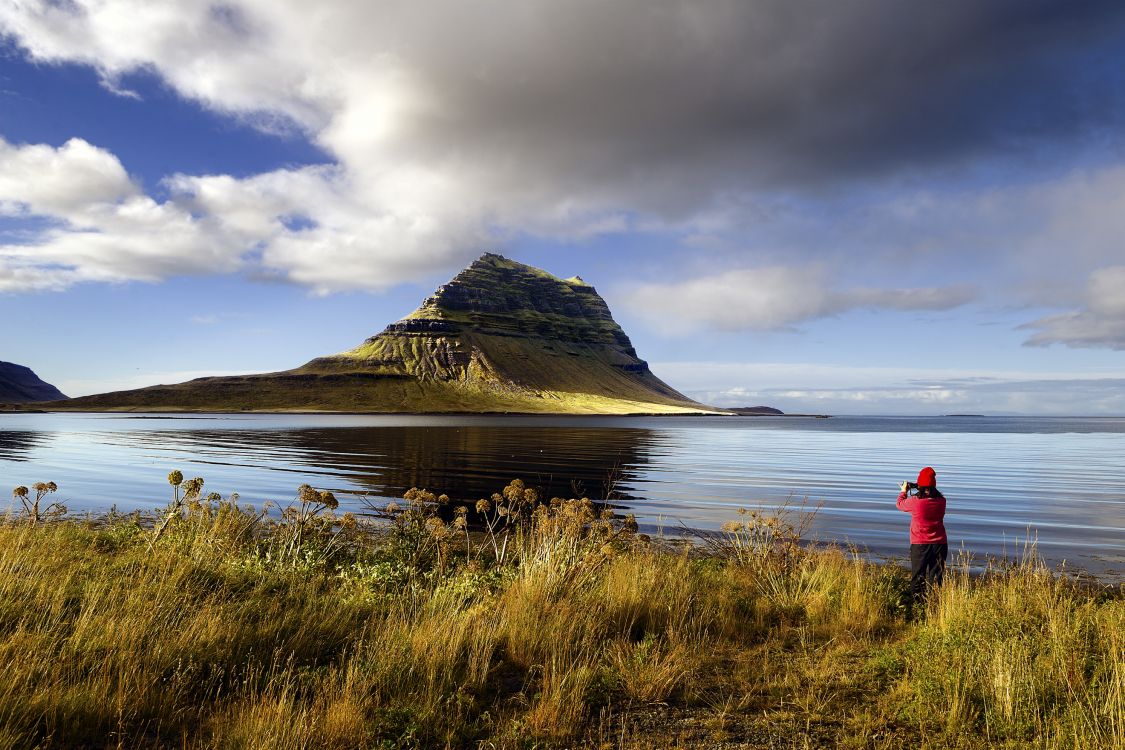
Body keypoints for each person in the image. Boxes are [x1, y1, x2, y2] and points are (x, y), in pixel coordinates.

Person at [897, 466, 947, 615]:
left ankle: (916, 611)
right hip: (940, 544)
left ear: (921, 485)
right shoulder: (942, 501)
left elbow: (899, 504)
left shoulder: (916, 502)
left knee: (918, 578)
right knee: (936, 578)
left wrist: (904, 490)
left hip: (920, 545)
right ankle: (934, 610)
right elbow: (929, 495)